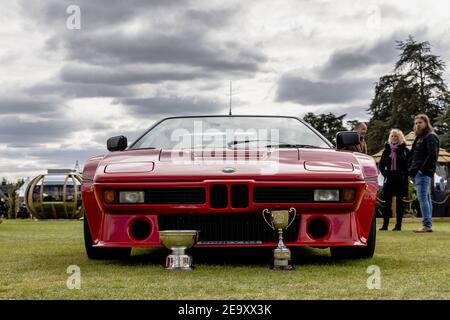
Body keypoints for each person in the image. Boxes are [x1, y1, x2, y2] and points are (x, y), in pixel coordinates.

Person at [408, 114, 440, 233]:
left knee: (423, 198)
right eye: (416, 123)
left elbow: (432, 155)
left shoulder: (431, 137)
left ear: (426, 123)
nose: (417, 125)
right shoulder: (420, 137)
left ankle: (427, 225)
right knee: (426, 198)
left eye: (420, 122)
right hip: (417, 172)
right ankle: (428, 224)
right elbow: (413, 155)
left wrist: (421, 170)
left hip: (423, 172)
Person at [378, 129, 409, 231]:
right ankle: (385, 225)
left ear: (400, 138)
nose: (394, 138)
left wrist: (405, 174)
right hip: (389, 177)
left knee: (400, 202)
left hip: (400, 177)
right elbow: (381, 165)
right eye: (392, 136)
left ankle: (398, 226)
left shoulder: (405, 150)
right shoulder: (386, 150)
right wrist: (385, 173)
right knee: (387, 203)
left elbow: (410, 164)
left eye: (396, 136)